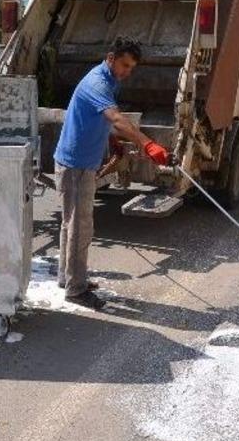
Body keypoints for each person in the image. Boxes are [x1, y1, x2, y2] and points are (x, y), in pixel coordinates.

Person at [54, 36, 170, 308]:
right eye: (124, 65)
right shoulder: (98, 82)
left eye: (131, 67)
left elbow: (101, 120)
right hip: (76, 165)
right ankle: (76, 289)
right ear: (110, 58)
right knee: (80, 228)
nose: (127, 72)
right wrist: (147, 143)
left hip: (78, 162)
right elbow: (116, 118)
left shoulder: (107, 79)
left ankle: (67, 277)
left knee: (70, 224)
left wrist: (113, 140)